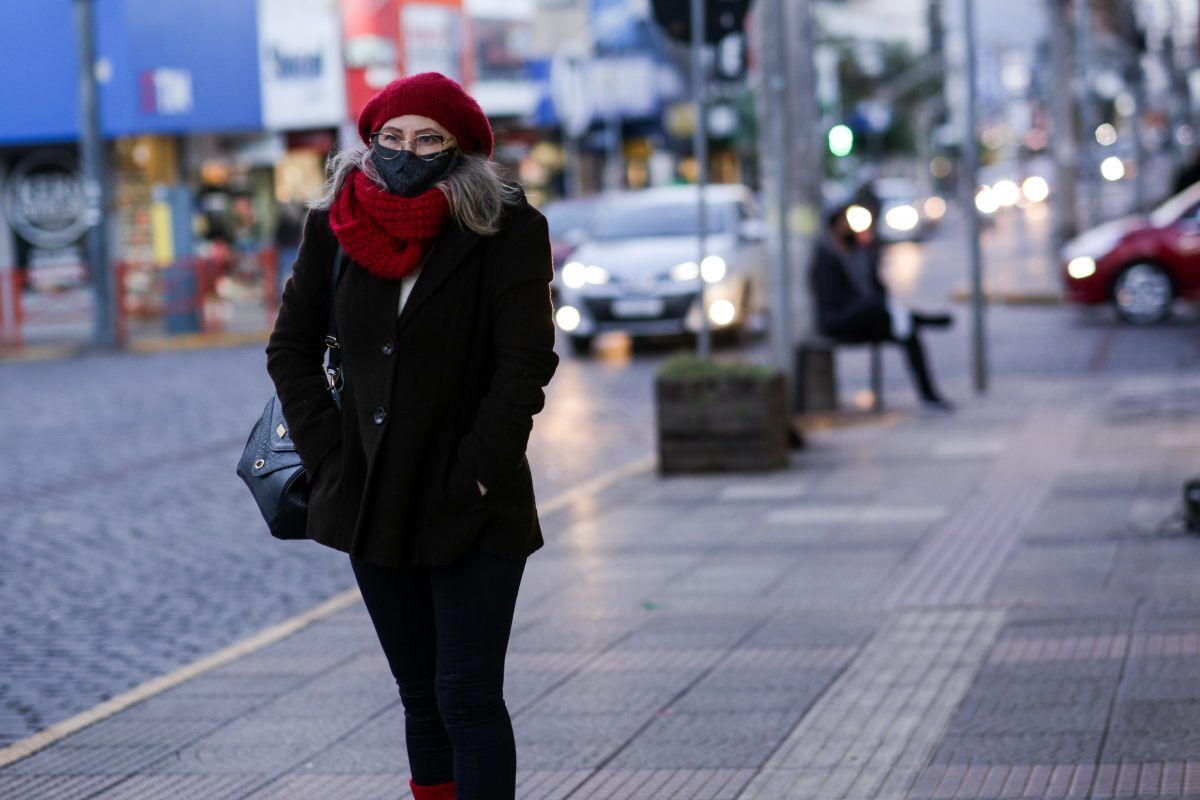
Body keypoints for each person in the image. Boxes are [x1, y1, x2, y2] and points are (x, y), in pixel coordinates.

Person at [265, 72, 559, 800]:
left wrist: (479, 471)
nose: (406, 152)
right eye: (391, 139)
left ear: (461, 149)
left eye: (428, 139)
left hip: (472, 500)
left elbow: (523, 362)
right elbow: (290, 349)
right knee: (421, 697)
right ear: (369, 141)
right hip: (372, 498)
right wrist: (333, 459)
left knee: (466, 695)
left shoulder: (508, 225)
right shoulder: (334, 221)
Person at [809, 204, 953, 411]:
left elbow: (878, 288)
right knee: (881, 309)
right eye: (843, 222)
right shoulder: (826, 258)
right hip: (839, 319)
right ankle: (920, 318)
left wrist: (870, 252)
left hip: (869, 317)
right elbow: (833, 298)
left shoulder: (861, 252)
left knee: (908, 333)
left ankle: (929, 395)